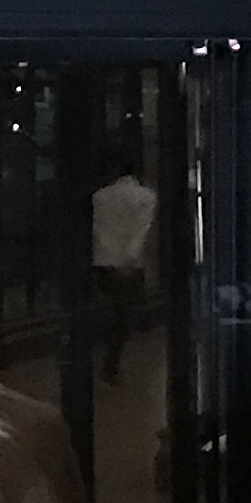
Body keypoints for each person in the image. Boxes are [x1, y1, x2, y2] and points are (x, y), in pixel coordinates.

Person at [90, 159, 158, 384]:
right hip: (130, 263)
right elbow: (140, 231)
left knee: (109, 310)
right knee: (123, 316)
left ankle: (104, 360)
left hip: (103, 261)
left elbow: (99, 230)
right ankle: (111, 364)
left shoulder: (99, 196)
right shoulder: (146, 197)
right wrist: (129, 259)